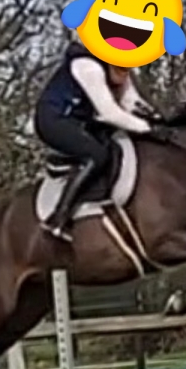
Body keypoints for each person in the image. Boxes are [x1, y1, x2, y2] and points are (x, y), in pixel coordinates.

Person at [34, 38, 161, 241]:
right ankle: (58, 217)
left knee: (118, 142)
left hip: (79, 120)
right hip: (53, 120)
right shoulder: (88, 67)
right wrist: (147, 129)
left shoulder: (117, 66)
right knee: (97, 155)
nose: (125, 72)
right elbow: (110, 112)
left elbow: (131, 102)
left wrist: (157, 119)